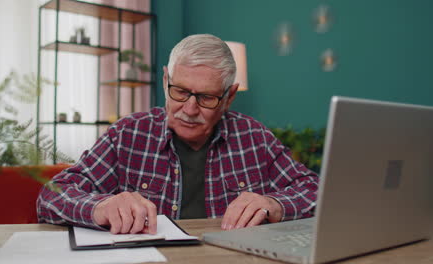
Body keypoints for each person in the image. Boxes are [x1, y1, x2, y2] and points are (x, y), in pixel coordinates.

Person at [37, 34, 319, 235]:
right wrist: (101, 207)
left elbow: (316, 192)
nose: (190, 108)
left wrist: (274, 204)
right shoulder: (127, 134)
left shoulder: (254, 137)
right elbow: (50, 198)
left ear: (229, 97)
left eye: (207, 97)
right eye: (180, 91)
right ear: (165, 80)